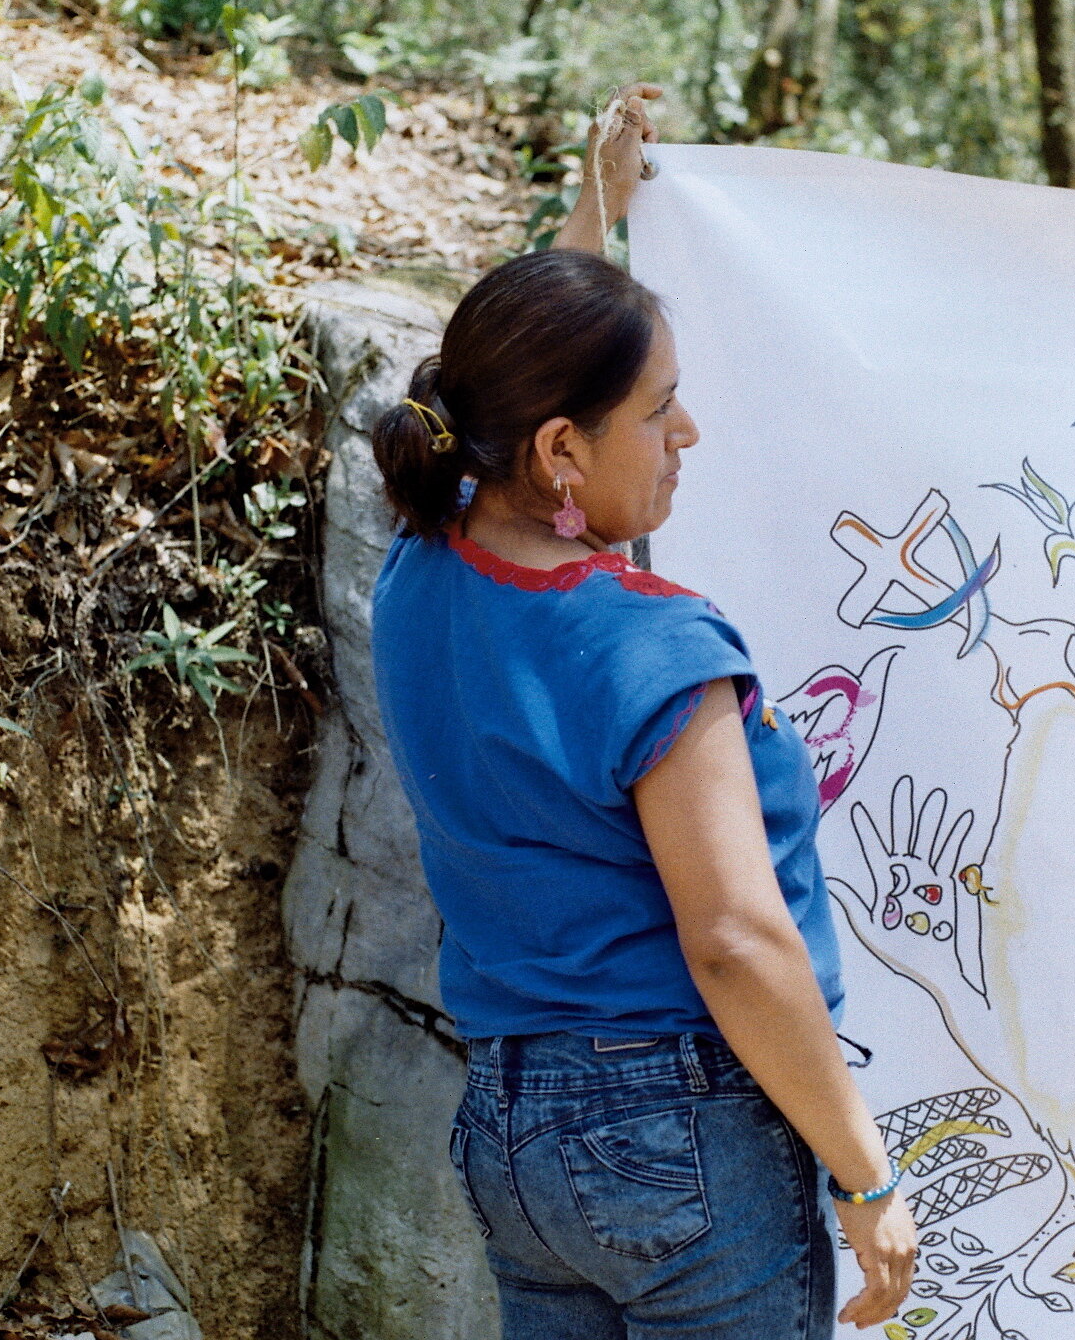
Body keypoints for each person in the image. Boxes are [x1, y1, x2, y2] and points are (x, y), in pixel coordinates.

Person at [368, 82, 918, 1338]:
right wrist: (864, 1173)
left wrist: (594, 212)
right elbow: (734, 937)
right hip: (686, 1136)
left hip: (515, 1134)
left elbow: (509, 388)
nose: (690, 430)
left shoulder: (424, 561)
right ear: (562, 452)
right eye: (659, 407)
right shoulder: (652, 648)